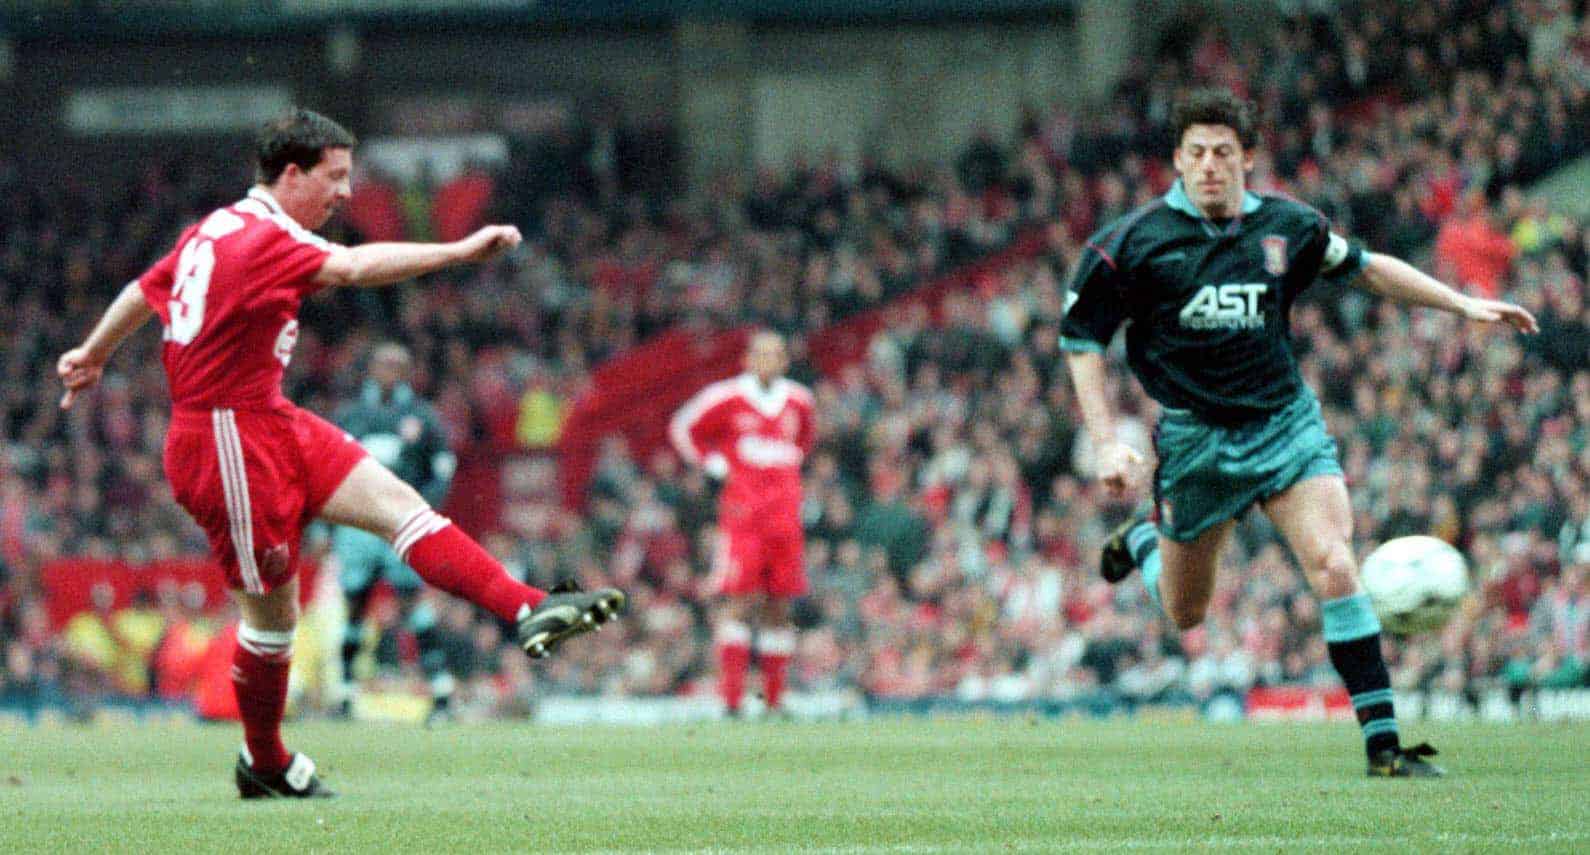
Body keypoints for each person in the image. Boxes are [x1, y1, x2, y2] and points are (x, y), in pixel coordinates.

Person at [56, 109, 625, 798]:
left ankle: (528, 607)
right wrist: (457, 252)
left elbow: (144, 289)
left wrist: (91, 352)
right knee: (272, 620)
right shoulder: (263, 238)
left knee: (399, 506)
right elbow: (354, 266)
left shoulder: (217, 227)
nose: (346, 193)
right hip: (226, 440)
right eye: (335, 176)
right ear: (291, 174)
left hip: (269, 416)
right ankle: (263, 762)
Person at [1060, 89, 1537, 778]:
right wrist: (1106, 440)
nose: (1210, 165)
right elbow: (1081, 341)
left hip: (1286, 426)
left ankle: (1385, 746)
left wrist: (1460, 302)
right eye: (1196, 152)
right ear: (1177, 160)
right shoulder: (1128, 244)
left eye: (1224, 151)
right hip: (1196, 443)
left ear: (1247, 157)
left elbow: (1367, 269)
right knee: (1184, 612)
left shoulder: (1291, 226)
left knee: (1335, 564)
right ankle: (1142, 538)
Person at [670, 332, 815, 718]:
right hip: (744, 520)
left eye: (777, 355)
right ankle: (731, 701)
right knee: (739, 601)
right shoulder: (726, 398)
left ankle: (774, 700)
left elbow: (804, 443)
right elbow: (683, 428)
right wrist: (715, 465)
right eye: (761, 354)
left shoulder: (799, 400)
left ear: (785, 361)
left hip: (784, 520)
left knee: (779, 606)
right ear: (748, 359)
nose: (769, 361)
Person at [329, 343, 460, 724]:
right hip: (356, 525)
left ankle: (441, 690)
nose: (390, 371)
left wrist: (423, 506)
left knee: (410, 602)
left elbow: (443, 466)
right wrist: (325, 523)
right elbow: (325, 469)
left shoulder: (421, 416)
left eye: (398, 365)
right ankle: (345, 694)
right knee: (355, 603)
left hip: (401, 523)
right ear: (371, 368)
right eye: (384, 364)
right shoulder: (352, 416)